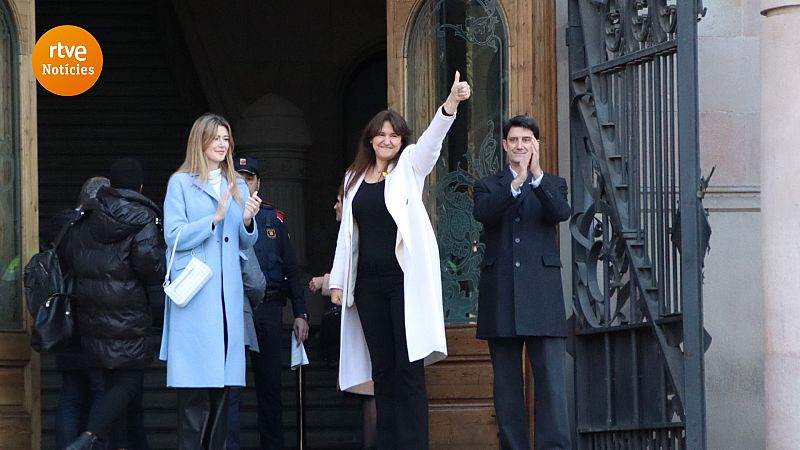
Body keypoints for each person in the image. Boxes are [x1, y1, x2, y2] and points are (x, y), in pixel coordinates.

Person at [329, 71, 471, 449]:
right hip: (368, 284)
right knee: (383, 371)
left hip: (403, 281)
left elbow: (430, 143)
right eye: (382, 134)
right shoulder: (353, 177)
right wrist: (338, 282)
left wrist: (450, 106)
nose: (388, 139)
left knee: (408, 371)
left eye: (394, 134)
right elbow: (348, 235)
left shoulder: (409, 165)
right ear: (370, 139)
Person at [160, 113, 261, 449]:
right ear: (200, 142)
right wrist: (213, 219)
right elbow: (172, 236)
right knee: (193, 390)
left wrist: (246, 220)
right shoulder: (181, 183)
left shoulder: (239, 184)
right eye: (215, 138)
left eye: (226, 139)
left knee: (222, 389)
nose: (222, 144)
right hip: (196, 296)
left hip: (227, 298)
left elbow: (245, 242)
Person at [472, 115, 572, 450]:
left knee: (551, 385)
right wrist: (516, 183)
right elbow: (485, 213)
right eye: (514, 140)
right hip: (501, 294)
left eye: (527, 140)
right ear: (504, 145)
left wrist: (535, 178)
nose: (520, 146)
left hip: (542, 296)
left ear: (536, 145)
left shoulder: (553, 184)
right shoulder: (488, 185)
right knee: (507, 386)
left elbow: (559, 212)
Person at [61, 159, 166, 450]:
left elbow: (73, 255)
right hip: (128, 312)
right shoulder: (143, 216)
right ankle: (88, 436)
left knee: (112, 386)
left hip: (92, 312)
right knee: (129, 383)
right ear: (140, 186)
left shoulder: (88, 214)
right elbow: (149, 265)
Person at [232, 157, 308, 450]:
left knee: (270, 387)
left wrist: (300, 311)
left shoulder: (273, 217)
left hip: (269, 308)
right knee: (231, 387)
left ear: (258, 183)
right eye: (238, 178)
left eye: (249, 178)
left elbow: (290, 266)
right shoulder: (224, 214)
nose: (244, 183)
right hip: (236, 308)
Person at [309, 186, 377, 450]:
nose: (335, 207)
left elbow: (355, 269)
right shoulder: (344, 232)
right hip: (358, 322)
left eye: (339, 201)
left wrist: (326, 282)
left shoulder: (358, 229)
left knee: (371, 392)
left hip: (368, 320)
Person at [45, 176, 109, 450]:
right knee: (100, 392)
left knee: (70, 394)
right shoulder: (96, 228)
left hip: (65, 322)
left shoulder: (61, 226)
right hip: (95, 321)